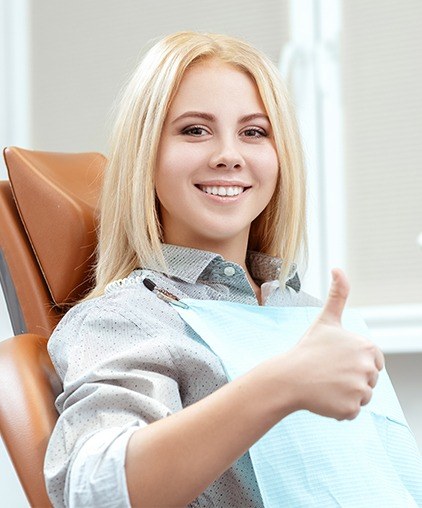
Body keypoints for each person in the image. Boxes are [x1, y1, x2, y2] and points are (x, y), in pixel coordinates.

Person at [44, 31, 419, 507]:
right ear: (146, 155)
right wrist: (281, 384)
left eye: (254, 132)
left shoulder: (307, 314)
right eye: (194, 130)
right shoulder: (128, 318)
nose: (229, 154)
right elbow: (95, 491)